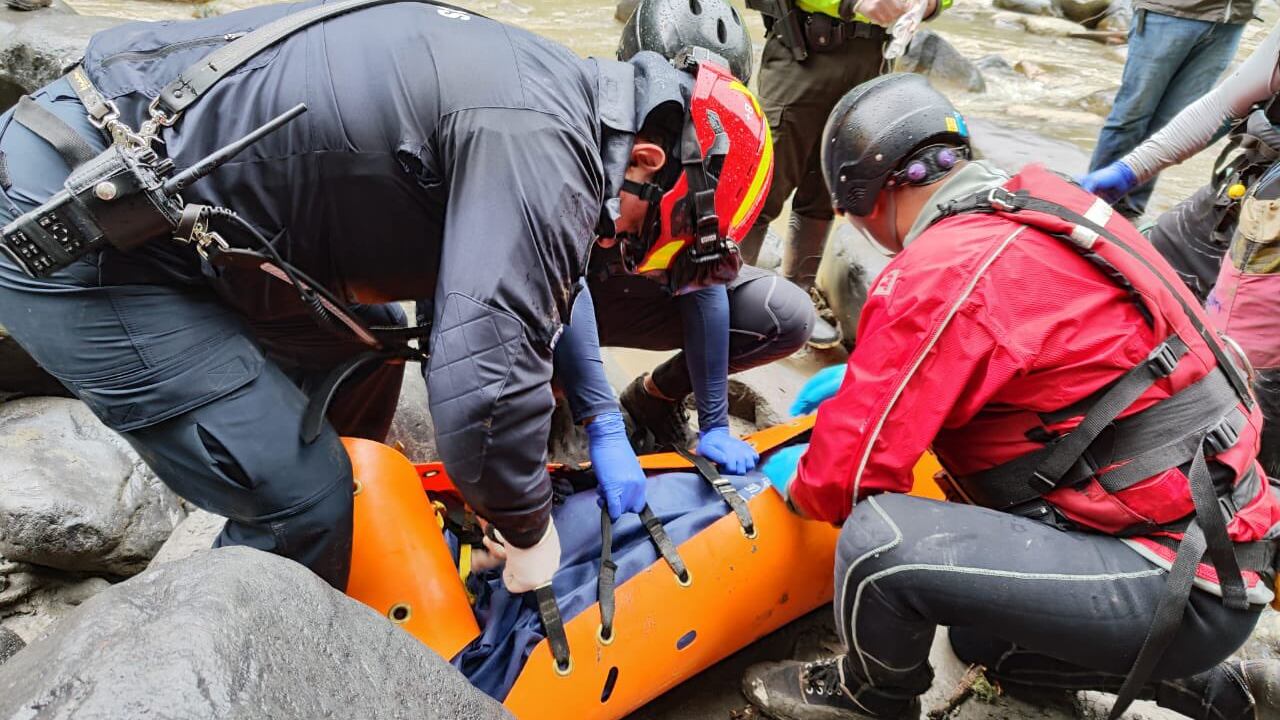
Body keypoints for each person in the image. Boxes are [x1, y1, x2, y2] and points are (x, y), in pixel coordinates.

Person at [0, 0, 772, 594]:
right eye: (647, 236)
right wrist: (529, 530)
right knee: (301, 505)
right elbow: (484, 390)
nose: (626, 253)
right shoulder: (543, 146)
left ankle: (338, 516)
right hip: (76, 229)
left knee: (367, 344)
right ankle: (244, 636)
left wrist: (584, 429)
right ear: (646, 157)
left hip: (176, 204)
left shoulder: (554, 89)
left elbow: (480, 311)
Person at [745, 73, 1280, 720]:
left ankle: (867, 697)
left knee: (878, 542)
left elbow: (844, 482)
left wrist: (797, 477)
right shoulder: (1042, 200)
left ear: (871, 196)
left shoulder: (937, 270)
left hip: (1172, 573)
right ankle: (1227, 690)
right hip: (1226, 541)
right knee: (978, 638)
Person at [549, 0, 810, 489]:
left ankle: (652, 397)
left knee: (783, 316)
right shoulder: (582, 133)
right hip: (559, 295)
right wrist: (598, 418)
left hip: (631, 297)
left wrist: (714, 423)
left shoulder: (715, 155)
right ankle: (555, 391)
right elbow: (557, 279)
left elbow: (705, 279)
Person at [1083, 22, 1280, 479]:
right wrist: (1130, 170)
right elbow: (1224, 102)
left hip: (1267, 237)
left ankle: (1241, 494)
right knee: (1138, 263)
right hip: (1252, 187)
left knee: (1244, 379)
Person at [738, 0, 949, 349]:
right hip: (802, 53)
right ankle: (730, 295)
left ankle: (795, 303)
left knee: (831, 184)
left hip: (873, 63)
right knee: (764, 181)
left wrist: (929, 4)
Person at [1083, 0, 1251, 220]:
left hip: (1230, 22)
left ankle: (1129, 213)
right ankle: (1090, 203)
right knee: (1131, 116)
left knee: (1173, 127)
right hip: (1170, 13)